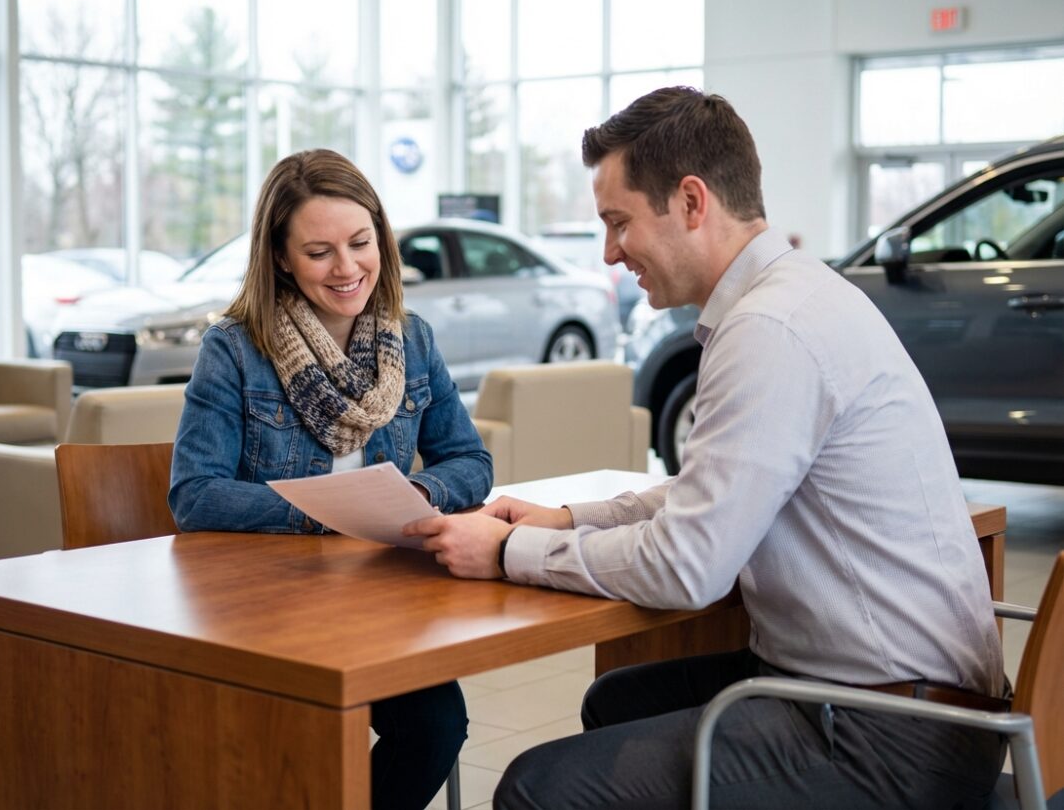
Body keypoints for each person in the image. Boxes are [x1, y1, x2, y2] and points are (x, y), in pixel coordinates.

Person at [403, 87, 1006, 808]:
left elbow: (686, 568)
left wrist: (504, 554)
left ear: (692, 202)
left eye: (619, 222)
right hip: (909, 701)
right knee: (620, 701)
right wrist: (567, 520)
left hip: (890, 735)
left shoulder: (770, 331)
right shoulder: (799, 296)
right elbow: (720, 489)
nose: (608, 252)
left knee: (538, 788)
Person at [170, 148, 493, 810]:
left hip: (378, 598)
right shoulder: (233, 350)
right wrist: (322, 511)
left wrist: (420, 496)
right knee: (298, 741)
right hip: (267, 606)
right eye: (319, 252)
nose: (347, 268)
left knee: (437, 728)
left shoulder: (415, 339)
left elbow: (470, 462)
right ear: (281, 258)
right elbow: (194, 495)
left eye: (360, 243)